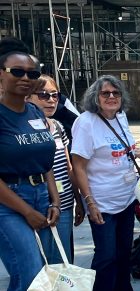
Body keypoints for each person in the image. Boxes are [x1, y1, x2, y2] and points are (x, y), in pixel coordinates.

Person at [0, 37, 64, 291]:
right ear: (1, 74)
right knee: (26, 278)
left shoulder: (36, 112)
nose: (26, 78)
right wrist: (26, 210)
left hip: (41, 196)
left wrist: (54, 199)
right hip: (9, 202)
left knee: (41, 281)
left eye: (33, 73)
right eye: (17, 71)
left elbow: (46, 160)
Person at [71, 75, 140, 291]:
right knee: (106, 257)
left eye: (116, 93)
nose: (111, 97)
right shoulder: (86, 123)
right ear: (95, 97)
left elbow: (125, 152)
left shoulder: (121, 117)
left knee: (124, 254)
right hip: (101, 202)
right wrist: (88, 201)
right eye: (105, 93)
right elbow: (78, 166)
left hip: (125, 198)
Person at [28, 75, 82, 264]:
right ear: (28, 97)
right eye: (43, 95)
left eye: (55, 95)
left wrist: (79, 201)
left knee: (64, 262)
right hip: (38, 206)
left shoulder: (57, 126)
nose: (51, 100)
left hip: (64, 205)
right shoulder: (21, 130)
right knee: (41, 265)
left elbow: (69, 167)